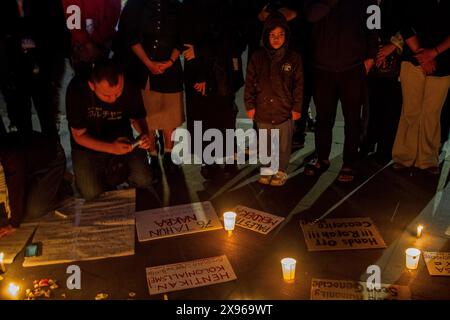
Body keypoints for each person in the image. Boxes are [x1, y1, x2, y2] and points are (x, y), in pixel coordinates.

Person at [304, 0, 378, 182]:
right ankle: (322, 158)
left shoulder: (369, 2)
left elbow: (374, 28)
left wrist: (370, 58)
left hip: (353, 68)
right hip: (323, 68)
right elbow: (311, 16)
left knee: (353, 119)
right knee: (323, 118)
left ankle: (349, 162)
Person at [66, 59, 153, 200]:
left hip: (123, 140)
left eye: (118, 93)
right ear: (92, 85)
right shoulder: (77, 90)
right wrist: (111, 148)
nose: (113, 99)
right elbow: (78, 135)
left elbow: (137, 117)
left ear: (122, 79)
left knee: (144, 179)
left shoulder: (130, 84)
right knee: (91, 193)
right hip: (88, 145)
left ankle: (118, 173)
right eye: (106, 95)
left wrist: (144, 134)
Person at [117, 0, 185, 178]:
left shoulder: (176, 6)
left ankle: (169, 154)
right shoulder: (135, 6)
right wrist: (148, 63)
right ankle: (153, 154)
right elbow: (129, 35)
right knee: (149, 115)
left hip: (170, 68)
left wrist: (170, 61)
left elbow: (182, 37)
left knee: (170, 115)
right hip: (142, 67)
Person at [180, 0, 245, 179]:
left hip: (223, 72)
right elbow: (188, 44)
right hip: (201, 72)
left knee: (225, 116)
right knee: (205, 117)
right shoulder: (190, 6)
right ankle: (210, 161)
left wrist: (202, 51)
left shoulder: (227, 6)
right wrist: (199, 74)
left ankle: (230, 159)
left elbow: (235, 40)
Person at [392, 0, 450, 175]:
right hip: (413, 58)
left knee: (432, 112)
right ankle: (404, 156)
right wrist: (422, 55)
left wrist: (433, 53)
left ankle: (428, 159)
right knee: (410, 110)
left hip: (445, 61)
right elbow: (404, 23)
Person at [245, 13, 303, 186]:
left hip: (284, 111)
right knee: (265, 143)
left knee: (283, 144)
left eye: (280, 35)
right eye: (272, 35)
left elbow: (299, 85)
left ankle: (281, 170)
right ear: (266, 36)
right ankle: (267, 168)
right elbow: (249, 82)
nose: (276, 39)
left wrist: (297, 107)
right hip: (262, 110)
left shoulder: (293, 58)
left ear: (286, 35)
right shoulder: (257, 57)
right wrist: (249, 104)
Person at [1, 0, 69, 139]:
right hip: (13, 72)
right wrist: (16, 44)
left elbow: (59, 34)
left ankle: (53, 157)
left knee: (48, 120)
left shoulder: (47, 3)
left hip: (44, 68)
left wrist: (38, 44)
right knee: (22, 125)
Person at [0, 132, 66, 238]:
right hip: (28, 168)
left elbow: (16, 187)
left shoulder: (10, 155)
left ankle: (61, 185)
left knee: (33, 210)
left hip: (51, 161)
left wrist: (14, 224)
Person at [363, 0, 403, 164]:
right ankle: (369, 140)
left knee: (391, 106)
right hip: (370, 59)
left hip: (394, 60)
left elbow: (407, 22)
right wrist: (373, 52)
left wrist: (391, 46)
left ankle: (386, 146)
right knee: (371, 104)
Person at [63, 0, 122, 76]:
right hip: (81, 45)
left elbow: (113, 13)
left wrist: (95, 40)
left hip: (101, 42)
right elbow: (71, 12)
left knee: (102, 75)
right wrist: (88, 42)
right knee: (82, 77)